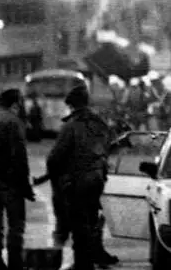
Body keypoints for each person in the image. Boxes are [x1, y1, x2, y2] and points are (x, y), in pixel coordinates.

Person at [46, 86, 112, 270]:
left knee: (78, 225)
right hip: (97, 179)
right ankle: (87, 261)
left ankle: (82, 264)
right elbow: (107, 148)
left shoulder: (71, 126)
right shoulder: (100, 123)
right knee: (91, 223)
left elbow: (54, 158)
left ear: (71, 105)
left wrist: (57, 182)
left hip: (77, 182)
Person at [0, 89, 33, 270]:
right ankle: (15, 263)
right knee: (16, 225)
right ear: (15, 103)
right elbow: (19, 156)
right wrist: (26, 186)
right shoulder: (13, 122)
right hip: (11, 181)